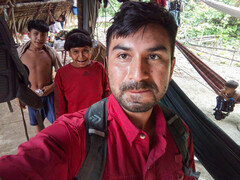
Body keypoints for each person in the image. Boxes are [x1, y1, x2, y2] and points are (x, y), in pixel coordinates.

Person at [0, 2, 197, 179]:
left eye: (154, 56)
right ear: (108, 64)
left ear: (171, 68)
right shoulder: (75, 136)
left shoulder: (180, 133)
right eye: (123, 56)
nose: (137, 75)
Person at [17, 19, 62, 132]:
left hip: (50, 95)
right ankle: (43, 147)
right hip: (31, 96)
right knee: (39, 125)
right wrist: (19, 96)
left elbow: (62, 74)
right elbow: (16, 77)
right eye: (36, 34)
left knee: (58, 123)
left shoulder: (51, 53)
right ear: (29, 34)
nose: (39, 38)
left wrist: (52, 87)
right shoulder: (20, 54)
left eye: (43, 35)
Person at [54, 29, 110, 118]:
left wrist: (106, 114)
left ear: (90, 51)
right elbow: (59, 102)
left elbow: (106, 92)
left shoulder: (99, 68)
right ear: (69, 53)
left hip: (97, 118)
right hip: (74, 120)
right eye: (76, 51)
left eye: (85, 51)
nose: (81, 56)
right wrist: (62, 121)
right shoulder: (62, 73)